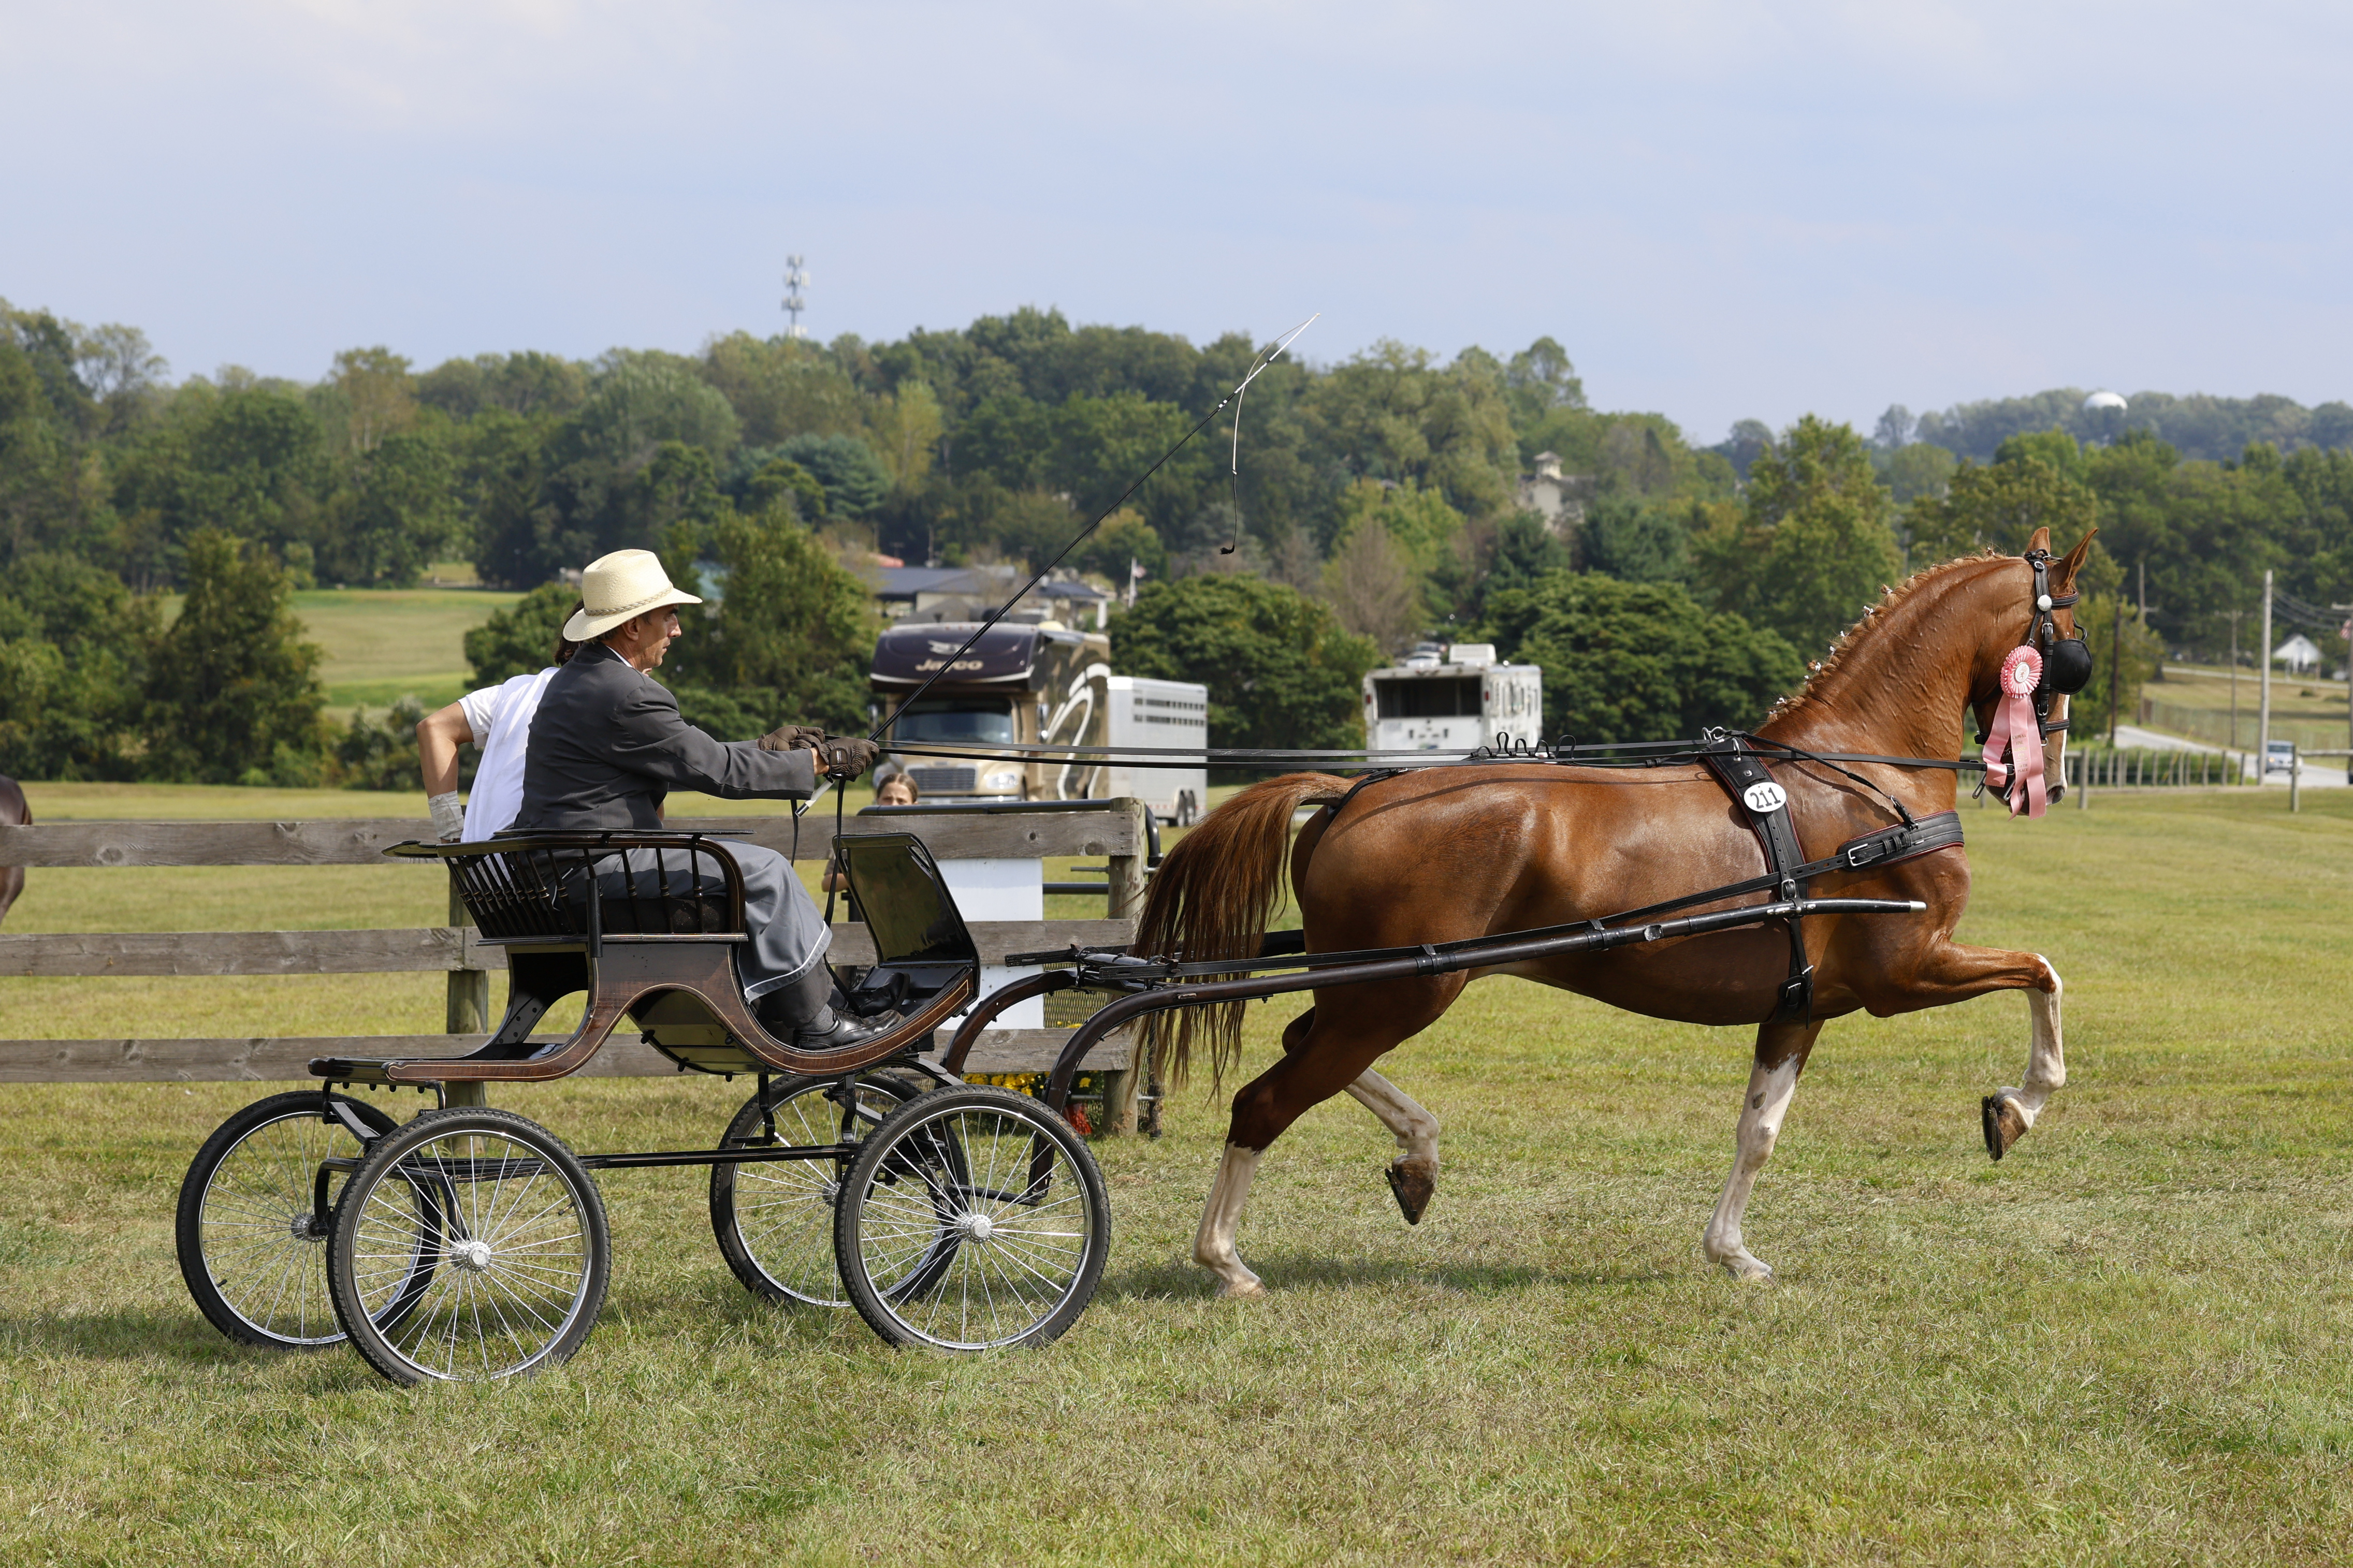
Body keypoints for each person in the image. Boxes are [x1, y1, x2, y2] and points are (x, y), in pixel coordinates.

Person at [510, 549, 887, 1050]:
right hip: (592, 873)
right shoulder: (626, 693)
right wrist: (820, 762)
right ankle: (812, 1022)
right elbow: (715, 770)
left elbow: (694, 754)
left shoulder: (582, 679)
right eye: (669, 616)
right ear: (633, 627)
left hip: (567, 874)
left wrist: (767, 748)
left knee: (751, 864)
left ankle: (809, 1010)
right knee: (765, 870)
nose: (677, 629)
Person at [415, 609, 584, 842]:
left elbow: (434, 728)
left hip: (479, 868)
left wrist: (451, 834)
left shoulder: (519, 688)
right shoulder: (611, 697)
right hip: (537, 866)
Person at [822, 770, 917, 893]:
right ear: (877, 800)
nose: (893, 805)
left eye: (901, 801)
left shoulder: (921, 837)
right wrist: (866, 876)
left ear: (914, 805)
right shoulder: (858, 836)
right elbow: (828, 883)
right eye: (887, 799)